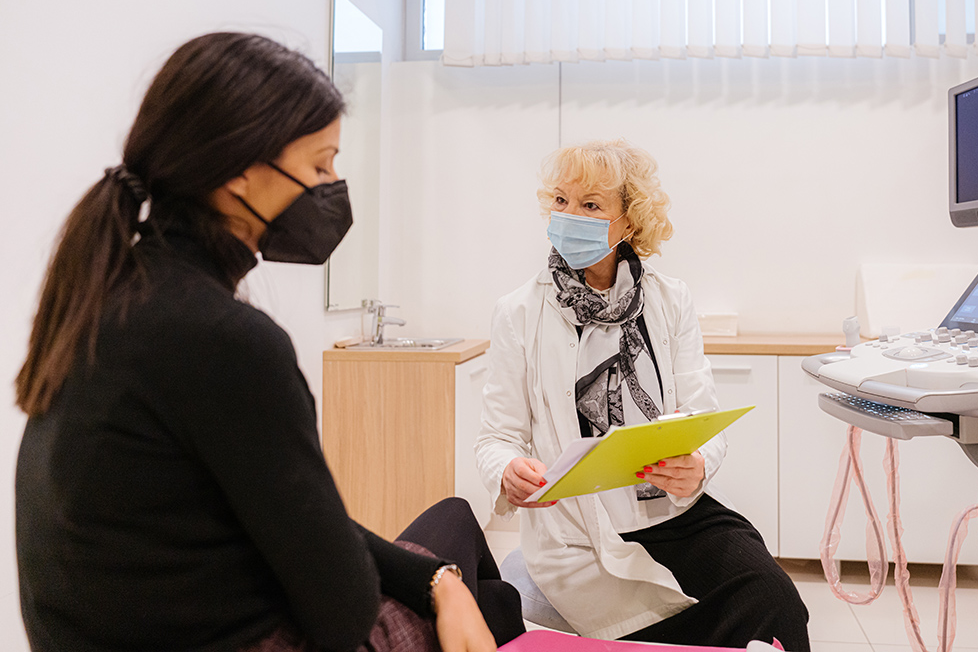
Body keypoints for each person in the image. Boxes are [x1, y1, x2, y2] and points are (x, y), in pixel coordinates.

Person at [14, 32, 523, 652]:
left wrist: (435, 581)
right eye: (319, 164)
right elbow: (344, 609)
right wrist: (437, 585)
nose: (334, 184)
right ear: (239, 175)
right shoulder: (226, 340)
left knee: (459, 548)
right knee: (486, 589)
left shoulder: (102, 303)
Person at [475, 139, 810, 650]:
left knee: (774, 598)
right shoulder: (519, 312)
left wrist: (698, 462)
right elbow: (497, 438)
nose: (569, 216)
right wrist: (508, 471)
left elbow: (702, 413)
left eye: (591, 205)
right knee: (675, 632)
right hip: (580, 531)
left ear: (629, 221)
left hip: (672, 511)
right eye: (561, 200)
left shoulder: (669, 299)